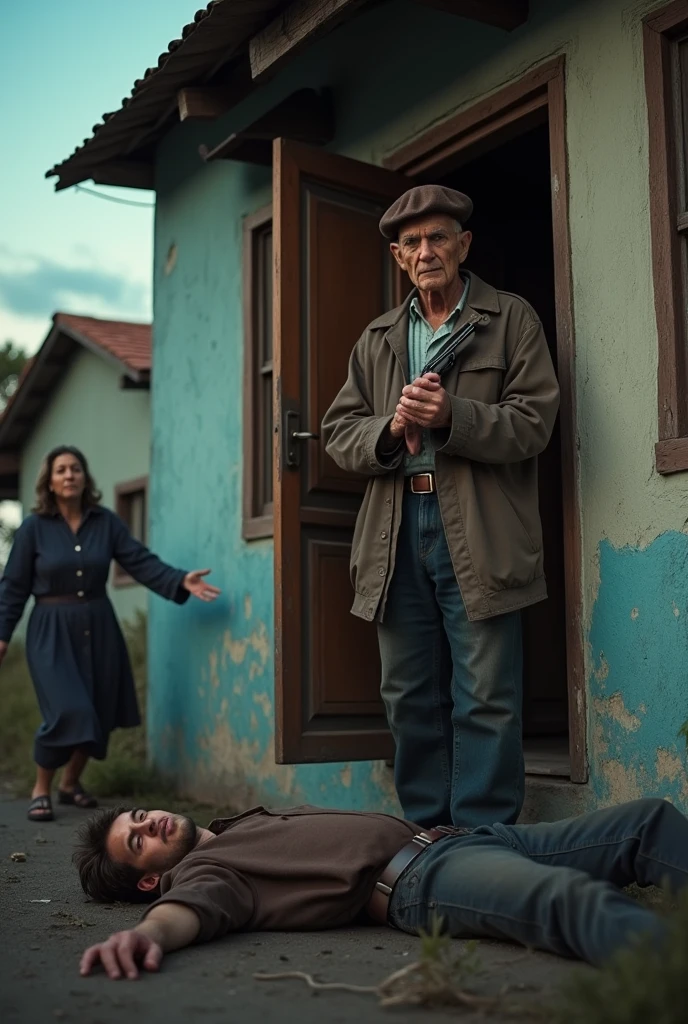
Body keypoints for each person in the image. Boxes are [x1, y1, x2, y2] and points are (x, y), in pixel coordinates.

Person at [321, 185, 560, 829]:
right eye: (413, 243)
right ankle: (429, 836)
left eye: (438, 238)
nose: (426, 251)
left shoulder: (511, 319)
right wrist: (389, 431)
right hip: (397, 529)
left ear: (463, 245)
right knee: (408, 696)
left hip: (478, 527)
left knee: (486, 695)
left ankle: (483, 840)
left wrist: (456, 415)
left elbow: (536, 422)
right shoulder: (376, 339)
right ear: (399, 258)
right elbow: (338, 433)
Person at [75, 796, 688, 979]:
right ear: (151, 876)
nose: (146, 823)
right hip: (427, 878)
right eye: (138, 841)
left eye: (137, 817)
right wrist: (146, 933)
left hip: (468, 838)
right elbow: (189, 913)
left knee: (647, 823)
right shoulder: (206, 874)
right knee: (568, 901)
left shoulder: (240, 824)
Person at [0, 445, 221, 823]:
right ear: (49, 483)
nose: (69, 475)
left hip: (99, 626)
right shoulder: (34, 528)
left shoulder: (106, 522)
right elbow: (13, 586)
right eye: (61, 470)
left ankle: (70, 784)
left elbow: (138, 560)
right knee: (69, 709)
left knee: (99, 709)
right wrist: (3, 634)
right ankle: (41, 789)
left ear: (85, 478)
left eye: (76, 469)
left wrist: (179, 579)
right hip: (51, 630)